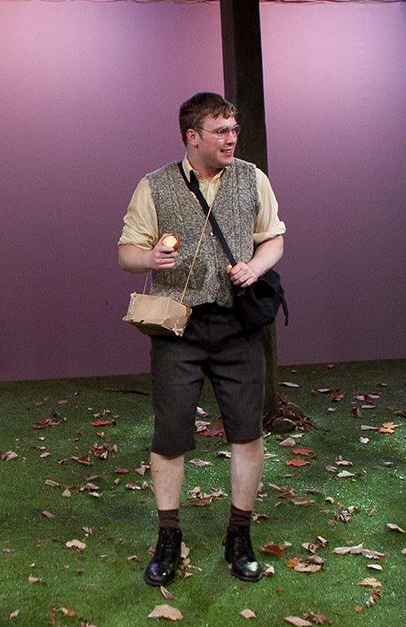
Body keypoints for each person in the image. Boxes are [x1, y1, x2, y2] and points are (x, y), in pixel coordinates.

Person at [117, 92, 287, 587]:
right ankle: (168, 535)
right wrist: (149, 259)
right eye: (221, 131)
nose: (232, 138)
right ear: (193, 137)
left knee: (246, 433)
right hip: (178, 328)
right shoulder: (154, 186)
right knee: (170, 435)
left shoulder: (253, 178)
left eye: (234, 129)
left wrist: (255, 266)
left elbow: (274, 236)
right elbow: (126, 251)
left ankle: (240, 534)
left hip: (237, 327)